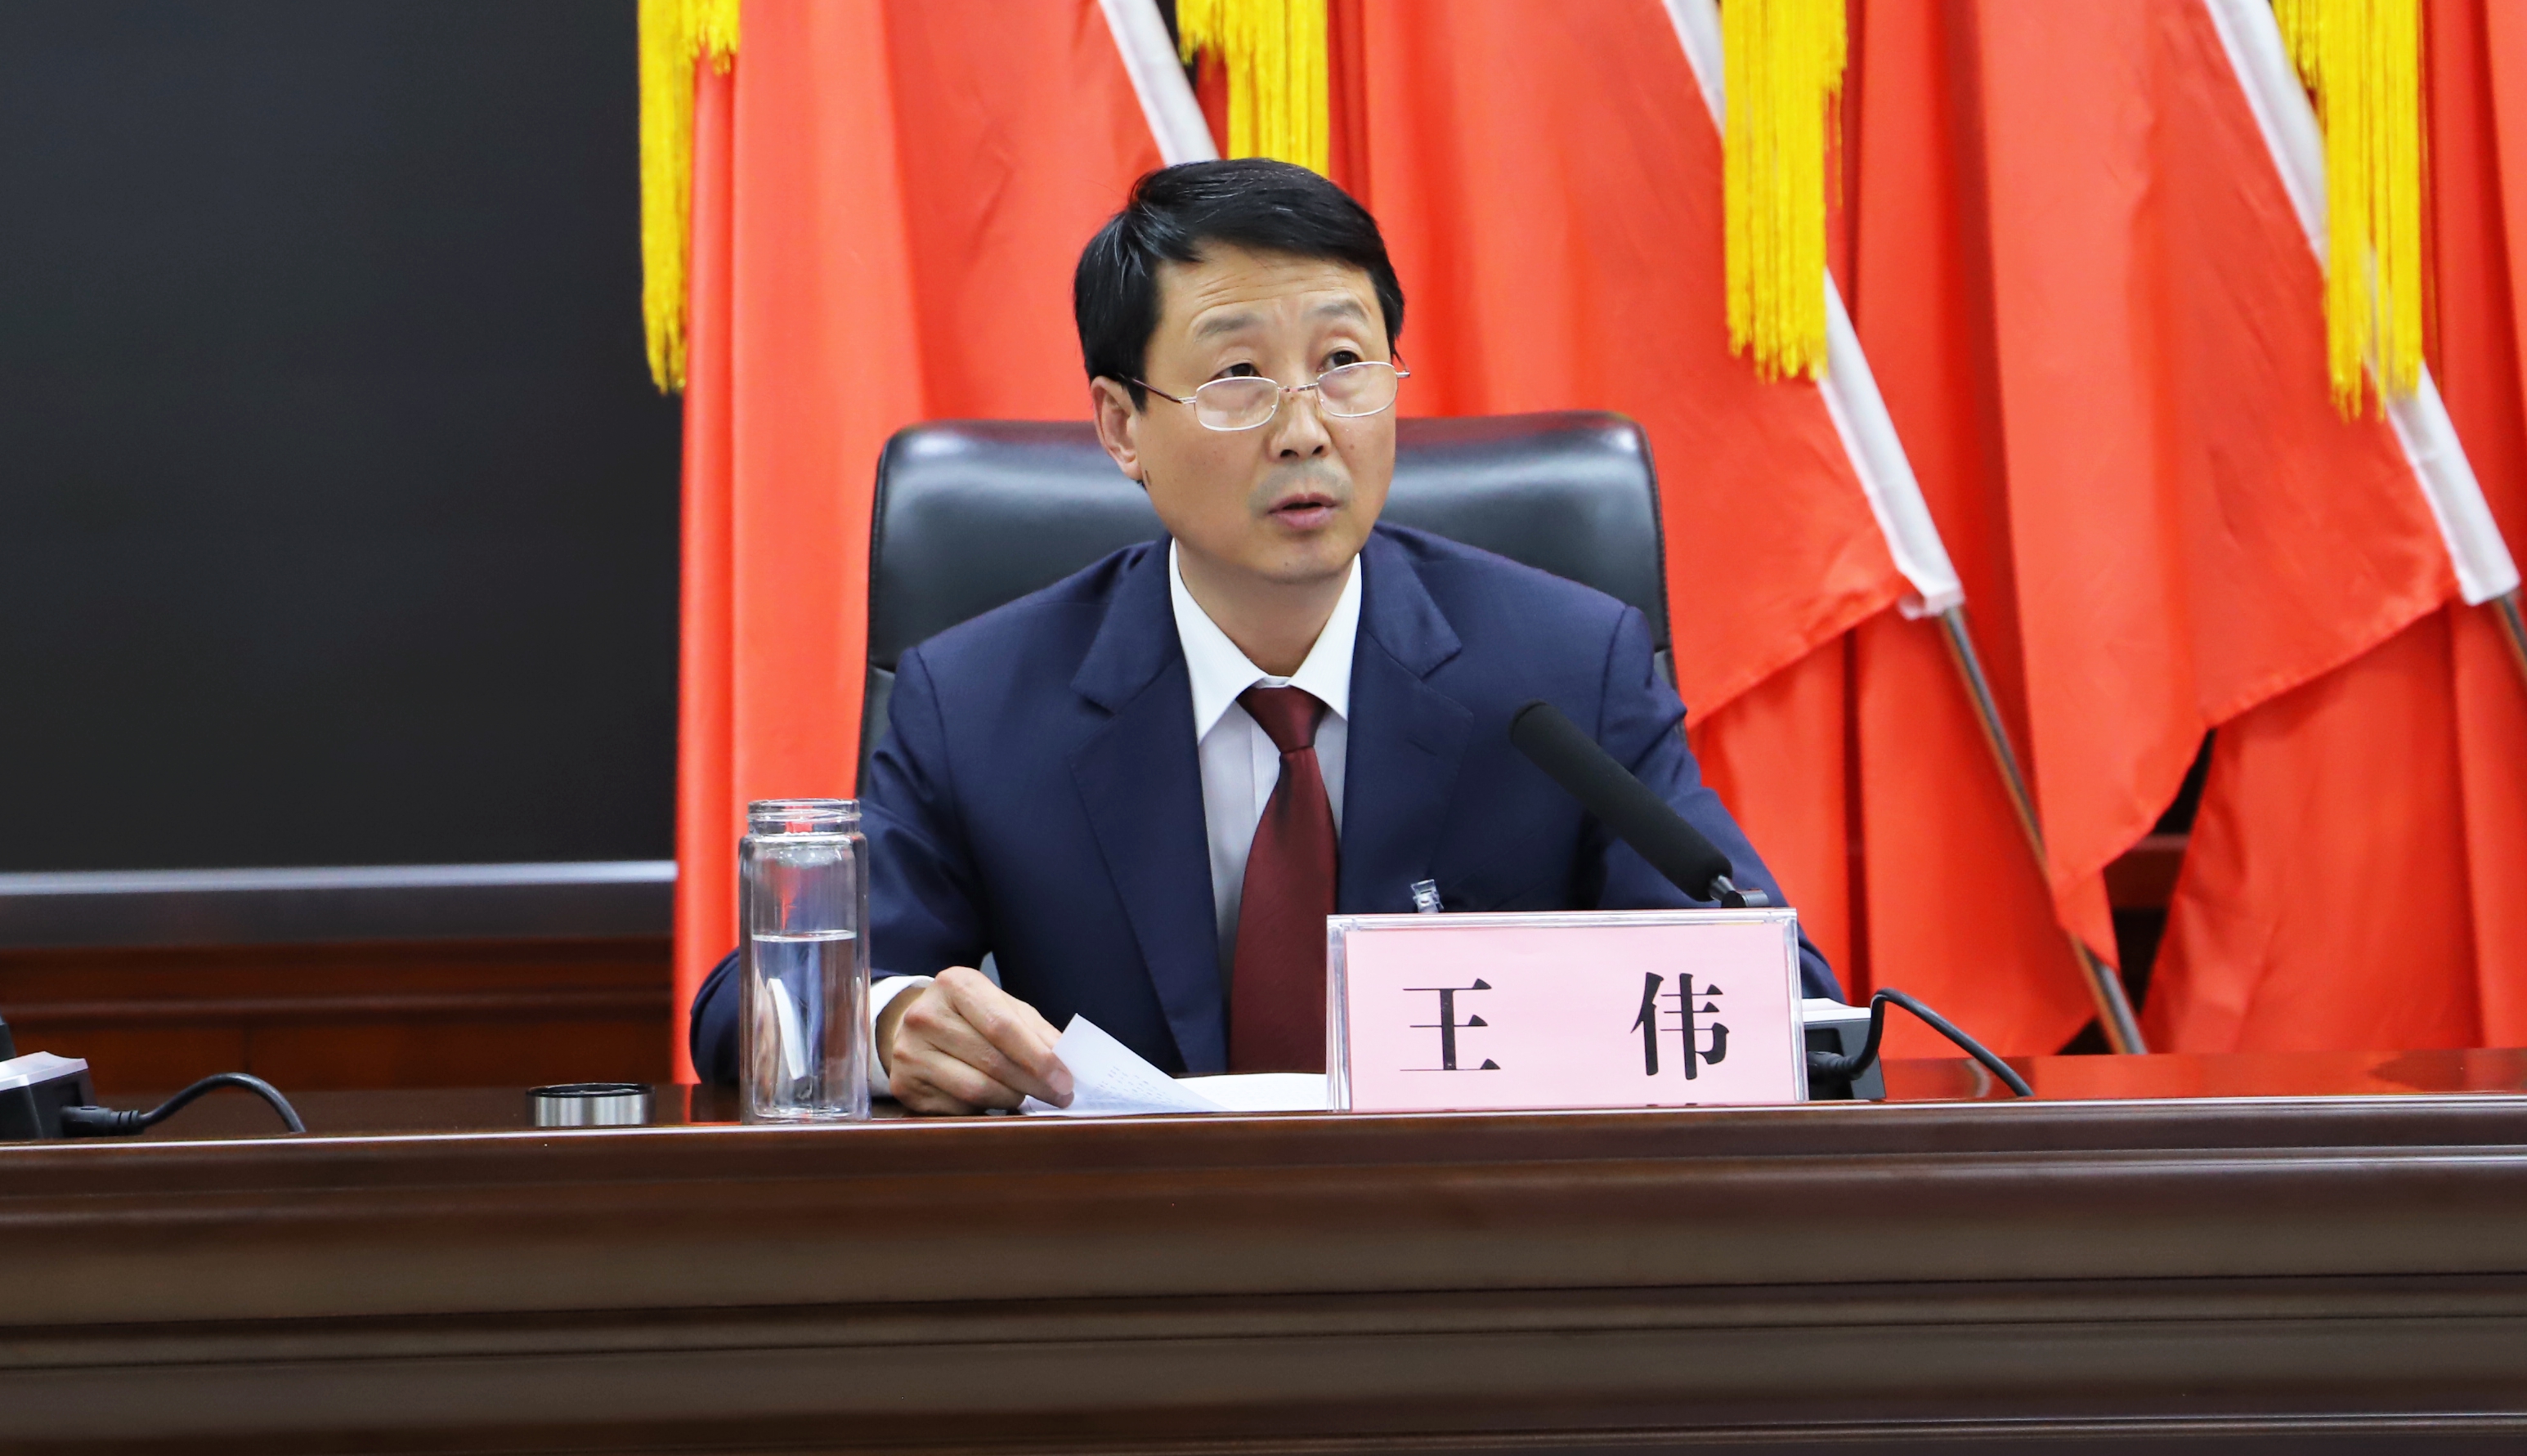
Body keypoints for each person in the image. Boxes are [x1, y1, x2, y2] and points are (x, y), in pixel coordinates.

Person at [689, 159, 1839, 1109]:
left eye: (1343, 365)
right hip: (1125, 1267)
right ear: (1121, 427)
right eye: (1238, 376)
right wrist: (892, 1020)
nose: (1306, 430)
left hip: (1476, 1261)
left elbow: (1774, 996)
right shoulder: (983, 699)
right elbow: (752, 1005)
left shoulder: (1564, 672)